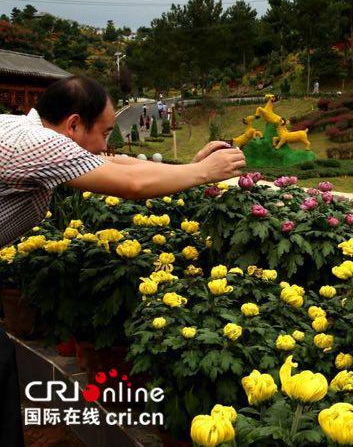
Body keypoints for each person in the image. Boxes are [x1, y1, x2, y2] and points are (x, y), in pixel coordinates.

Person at [0, 76, 245, 445]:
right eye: (105, 131)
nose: (106, 143)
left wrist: (191, 168)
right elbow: (128, 184)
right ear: (74, 124)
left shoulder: (26, 129)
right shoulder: (40, 144)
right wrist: (206, 173)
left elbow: (123, 166)